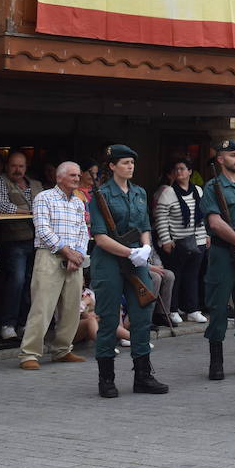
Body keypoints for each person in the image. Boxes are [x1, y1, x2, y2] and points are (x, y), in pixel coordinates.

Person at [91, 144, 167, 399]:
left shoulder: (139, 192)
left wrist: (144, 248)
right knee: (109, 319)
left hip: (136, 259)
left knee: (143, 314)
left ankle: (143, 375)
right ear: (112, 166)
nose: (130, 166)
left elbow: (145, 224)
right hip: (111, 262)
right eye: (124, 163)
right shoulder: (101, 195)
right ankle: (106, 379)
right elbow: (100, 237)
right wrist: (129, 253)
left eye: (132, 162)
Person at [19, 161, 90, 369]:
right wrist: (67, 252)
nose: (77, 179)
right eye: (72, 175)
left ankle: (62, 350)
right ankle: (29, 354)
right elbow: (42, 229)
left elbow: (83, 231)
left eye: (78, 175)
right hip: (49, 256)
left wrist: (77, 254)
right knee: (42, 306)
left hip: (74, 258)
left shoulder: (78, 202)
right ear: (59, 178)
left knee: (71, 308)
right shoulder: (44, 198)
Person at [200, 140, 235, 381]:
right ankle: (216, 361)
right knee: (219, 305)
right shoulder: (213, 187)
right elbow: (215, 223)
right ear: (220, 160)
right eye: (232, 155)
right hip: (223, 252)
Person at [0, 151, 42, 339]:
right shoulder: (1, 181)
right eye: (13, 165)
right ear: (7, 166)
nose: (17, 170)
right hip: (14, 240)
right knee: (17, 281)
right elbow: (3, 206)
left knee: (31, 283)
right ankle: (7, 324)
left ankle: (24, 323)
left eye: (21, 166)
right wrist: (28, 211)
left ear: (26, 167)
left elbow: (44, 207)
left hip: (36, 241)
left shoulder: (36, 184)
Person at [153, 159, 208, 327]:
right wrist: (166, 239)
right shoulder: (168, 192)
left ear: (190, 171)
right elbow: (161, 218)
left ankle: (192, 310)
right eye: (176, 169)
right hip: (177, 242)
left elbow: (203, 214)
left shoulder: (198, 190)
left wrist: (206, 235)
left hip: (197, 240)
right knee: (176, 276)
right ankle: (173, 309)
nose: (179, 172)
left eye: (182, 169)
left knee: (193, 275)